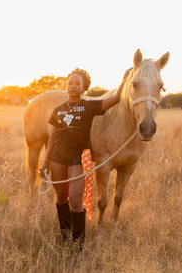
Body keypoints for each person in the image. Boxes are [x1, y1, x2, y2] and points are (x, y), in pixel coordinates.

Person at [39, 68, 128, 252]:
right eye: (70, 83)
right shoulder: (59, 109)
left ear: (83, 88)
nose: (73, 86)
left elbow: (115, 100)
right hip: (57, 158)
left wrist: (123, 81)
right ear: (66, 86)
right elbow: (52, 136)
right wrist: (45, 161)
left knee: (76, 200)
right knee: (61, 197)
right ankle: (65, 238)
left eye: (77, 84)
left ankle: (78, 245)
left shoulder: (89, 106)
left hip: (77, 158)